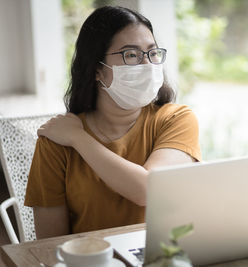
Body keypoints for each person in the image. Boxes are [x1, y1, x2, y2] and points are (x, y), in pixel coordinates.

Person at [24, 6, 201, 239]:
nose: (147, 64)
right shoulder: (55, 142)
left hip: (161, 258)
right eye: (131, 55)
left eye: (152, 52)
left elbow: (149, 189)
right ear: (97, 70)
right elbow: (49, 244)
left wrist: (79, 139)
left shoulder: (177, 119)